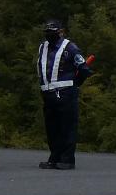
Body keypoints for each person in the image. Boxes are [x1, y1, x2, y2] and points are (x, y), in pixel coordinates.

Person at [35, 19, 91, 170]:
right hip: (48, 95)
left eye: (53, 33)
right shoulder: (42, 47)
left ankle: (67, 160)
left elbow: (84, 69)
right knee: (52, 129)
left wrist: (74, 83)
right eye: (47, 33)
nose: (50, 36)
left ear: (61, 32)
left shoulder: (70, 48)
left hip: (66, 94)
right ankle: (54, 158)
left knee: (67, 128)